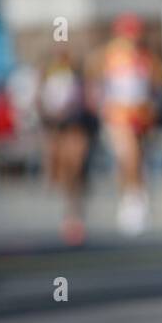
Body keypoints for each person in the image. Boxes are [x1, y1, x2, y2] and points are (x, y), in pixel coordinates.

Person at [90, 15, 162, 236]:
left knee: (139, 158)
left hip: (141, 114)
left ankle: (137, 196)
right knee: (127, 156)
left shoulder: (147, 58)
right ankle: (131, 200)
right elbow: (95, 80)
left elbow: (157, 85)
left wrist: (153, 106)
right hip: (118, 114)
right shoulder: (109, 55)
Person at [37, 52, 96, 244]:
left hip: (75, 127)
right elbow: (40, 102)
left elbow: (88, 102)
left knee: (76, 172)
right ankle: (69, 217)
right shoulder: (46, 76)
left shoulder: (78, 77)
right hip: (57, 129)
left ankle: (75, 217)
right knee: (62, 175)